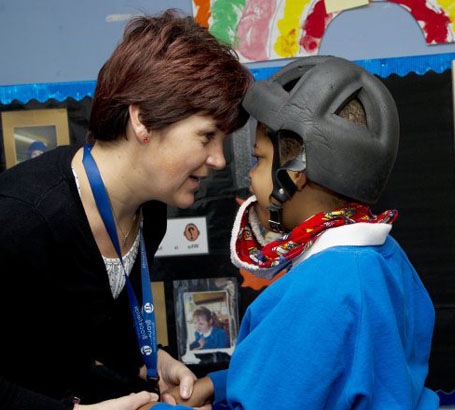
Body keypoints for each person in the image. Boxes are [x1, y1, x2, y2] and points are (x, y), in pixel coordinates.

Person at [153, 56, 439, 409]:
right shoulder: (387, 255)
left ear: (295, 171)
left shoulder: (320, 288)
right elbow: (320, 371)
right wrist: (217, 384)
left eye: (258, 160)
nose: (250, 177)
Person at [0, 9, 251, 410]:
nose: (219, 159)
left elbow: (98, 321)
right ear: (143, 120)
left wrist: (152, 361)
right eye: (207, 136)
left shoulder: (149, 210)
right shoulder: (22, 218)